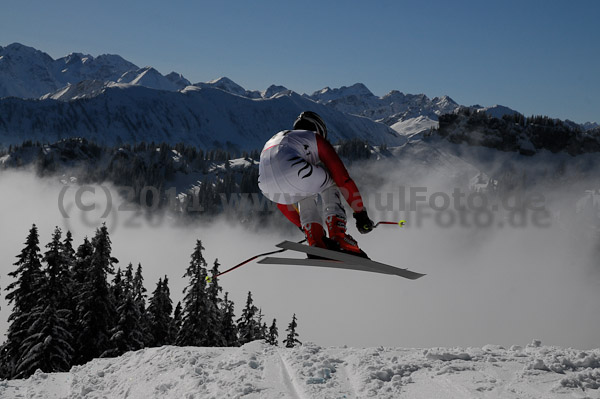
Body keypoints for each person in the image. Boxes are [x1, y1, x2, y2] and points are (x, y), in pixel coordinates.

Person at [258, 111, 375, 257]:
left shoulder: (284, 138)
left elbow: (282, 202)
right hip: (293, 170)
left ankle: (315, 239)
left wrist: (304, 228)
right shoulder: (315, 139)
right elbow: (343, 178)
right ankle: (338, 236)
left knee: (303, 191)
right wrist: (360, 213)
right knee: (331, 182)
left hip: (265, 186)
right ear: (319, 129)